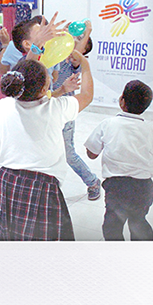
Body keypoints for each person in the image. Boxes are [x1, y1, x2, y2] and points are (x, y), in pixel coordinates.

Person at [0, 50, 94, 241]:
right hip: (42, 187)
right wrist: (85, 64)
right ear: (45, 87)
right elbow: (86, 95)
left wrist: (55, 88)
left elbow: (25, 89)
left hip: (6, 181)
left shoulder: (3, 107)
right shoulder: (56, 108)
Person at [84, 80, 153, 241]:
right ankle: (146, 258)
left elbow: (91, 153)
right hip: (145, 187)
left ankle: (117, 257)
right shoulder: (149, 129)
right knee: (138, 222)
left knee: (112, 226)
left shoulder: (108, 124)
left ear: (122, 101)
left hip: (118, 187)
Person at [51, 22, 101, 201]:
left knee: (68, 154)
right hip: (47, 110)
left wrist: (87, 31)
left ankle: (93, 182)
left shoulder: (73, 62)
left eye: (78, 42)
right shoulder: (54, 56)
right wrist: (61, 32)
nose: (72, 41)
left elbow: (75, 52)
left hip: (65, 112)